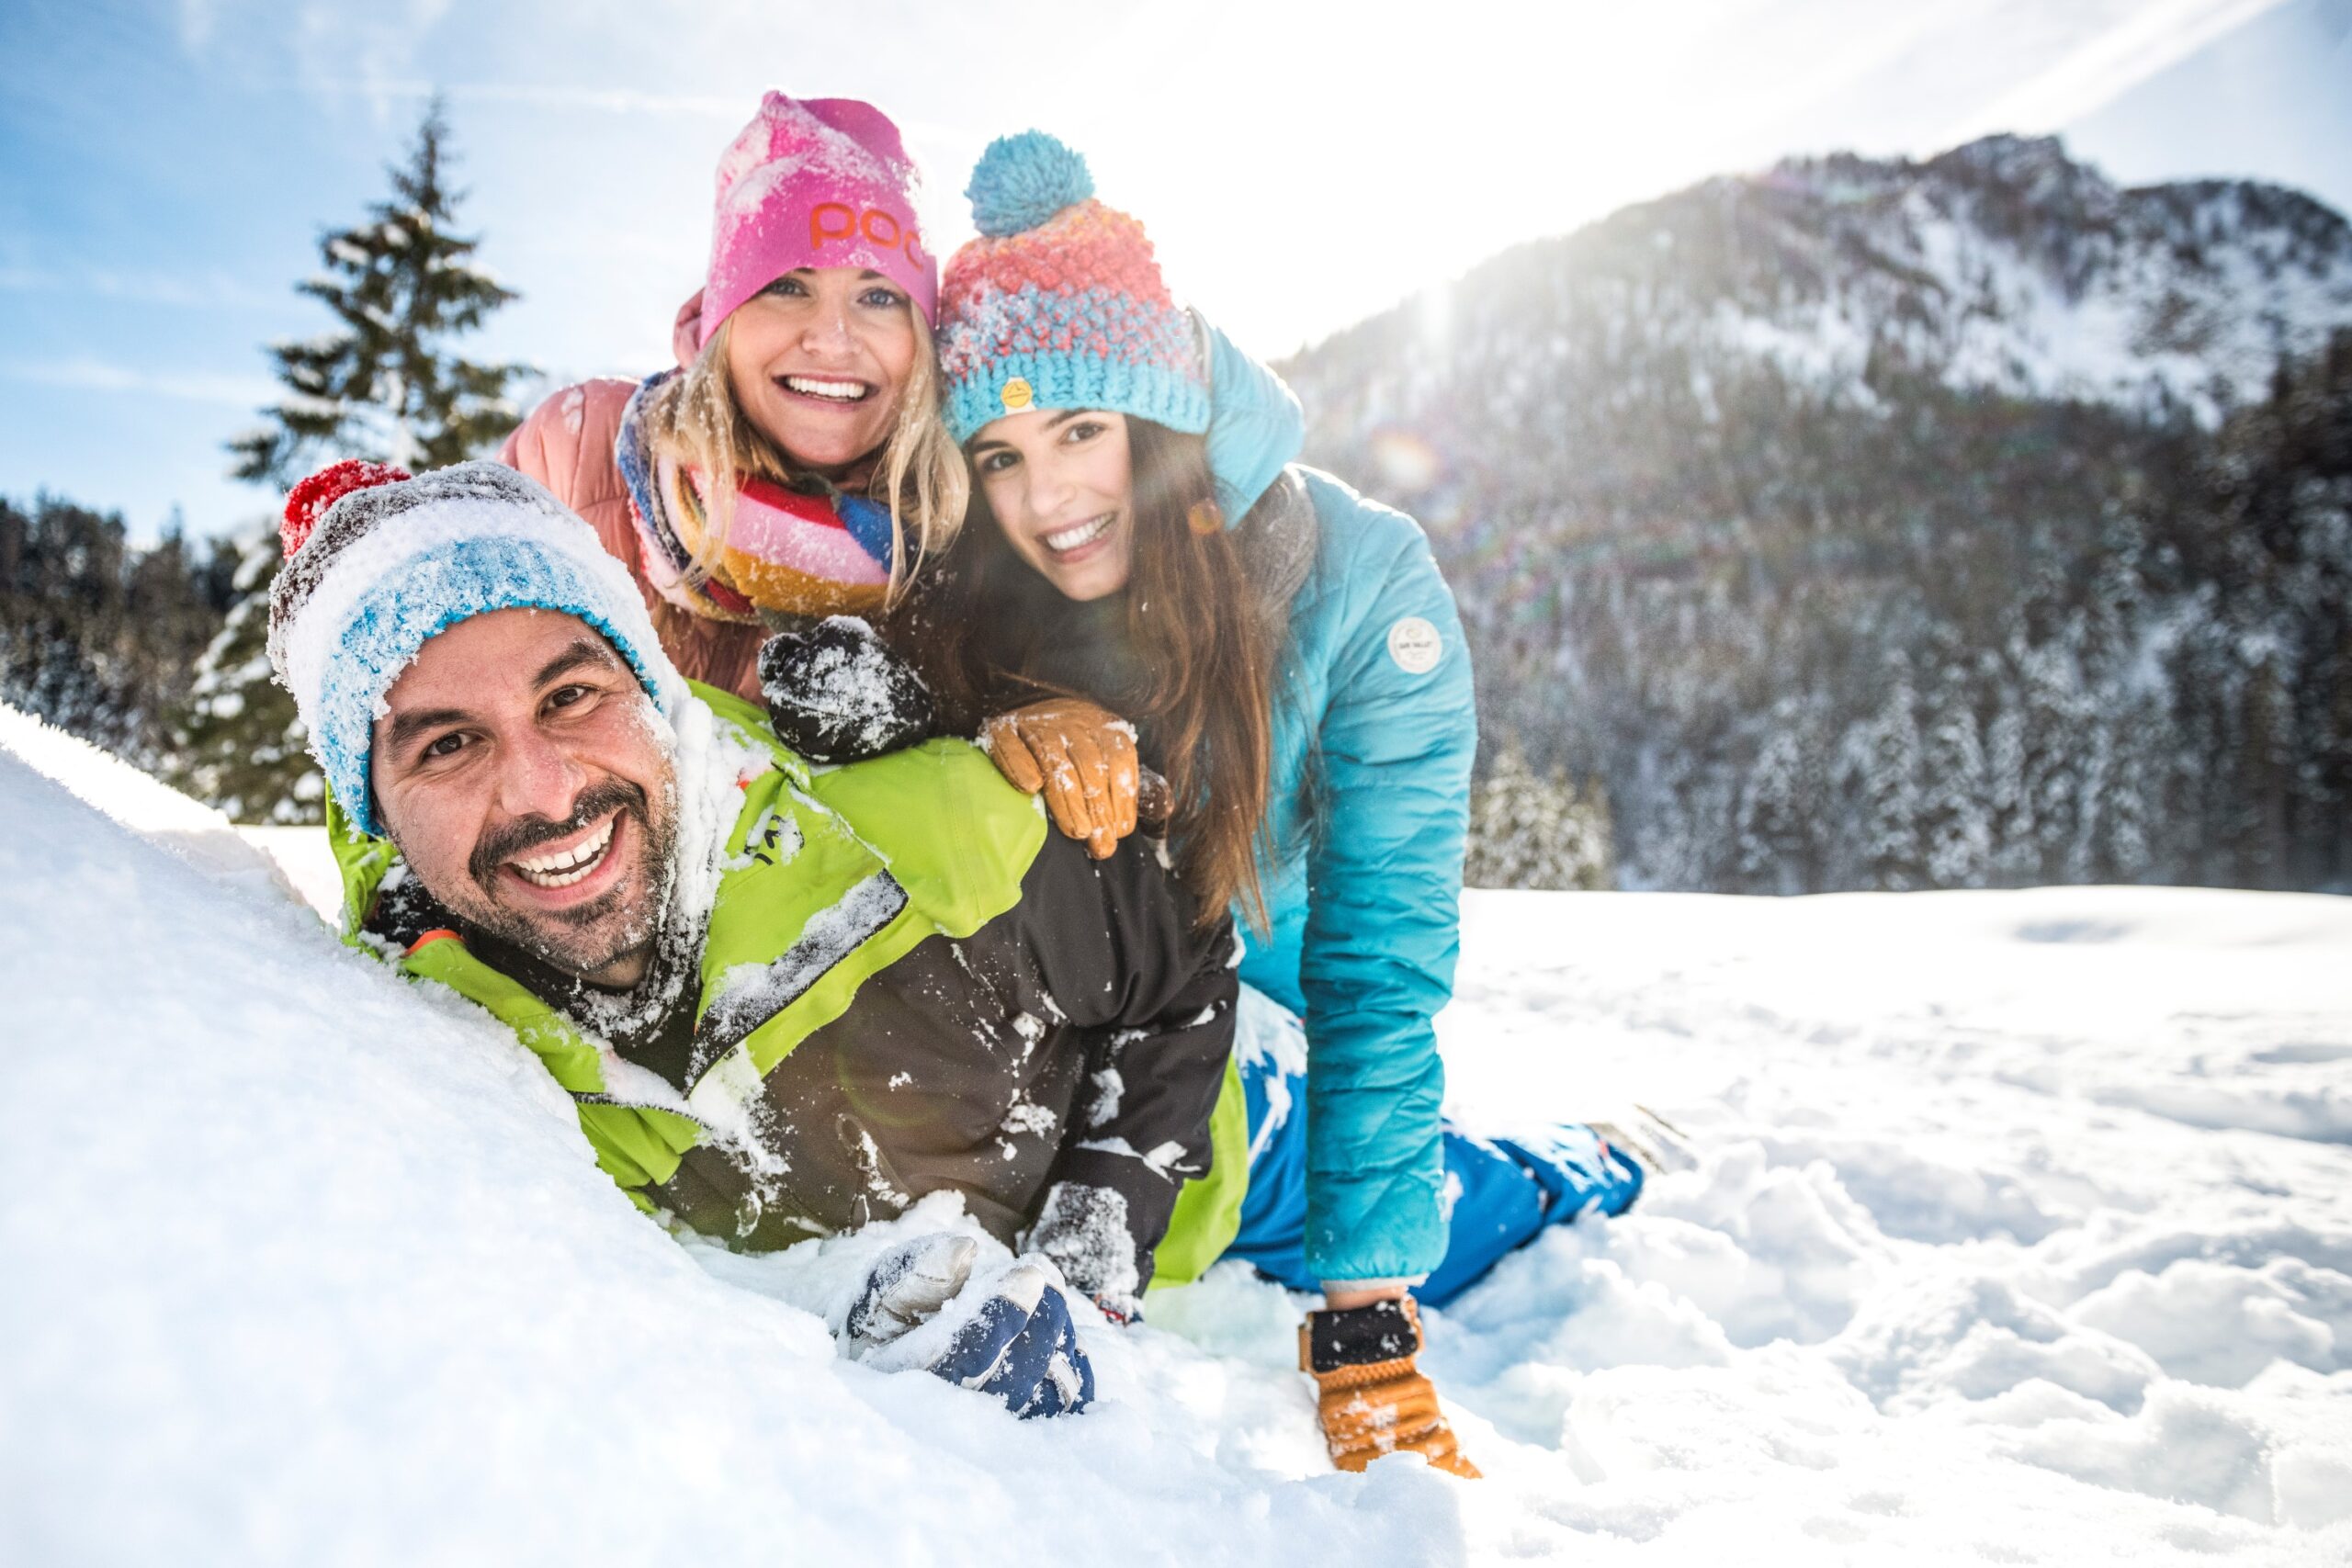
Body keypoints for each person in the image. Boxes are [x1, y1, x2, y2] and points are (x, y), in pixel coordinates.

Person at [917, 133, 1651, 1476]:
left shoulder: (1361, 584)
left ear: (1166, 419)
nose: (1050, 497)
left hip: (1278, 1033)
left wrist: (1368, 1326)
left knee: (1421, 1191)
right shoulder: (991, 578)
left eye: (1083, 430)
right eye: (1003, 455)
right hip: (1108, 1006)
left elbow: (1378, 958)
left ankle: (1581, 1162)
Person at [263, 457, 1241, 1416]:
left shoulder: (914, 830)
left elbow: (1191, 950)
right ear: (377, 810)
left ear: (649, 688)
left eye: (570, 697)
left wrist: (1090, 1247)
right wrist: (850, 1287)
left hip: (1242, 1149)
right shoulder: (437, 1050)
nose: (545, 791)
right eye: (448, 744)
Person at [498, 92, 967, 707]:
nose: (831, 340)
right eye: (789, 286)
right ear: (723, 322)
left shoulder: (965, 533)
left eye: (878, 297)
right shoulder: (579, 452)